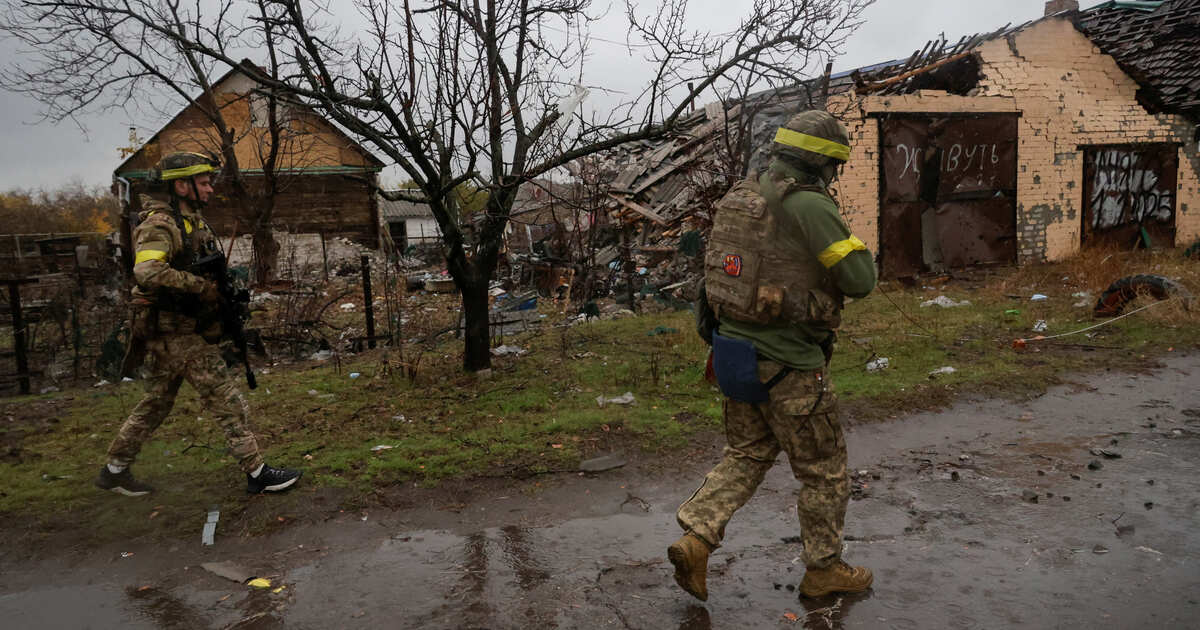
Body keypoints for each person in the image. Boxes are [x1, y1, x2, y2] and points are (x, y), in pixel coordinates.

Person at [669, 111, 877, 601]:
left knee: (747, 453)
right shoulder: (808, 205)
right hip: (791, 364)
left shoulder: (740, 198)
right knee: (823, 470)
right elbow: (861, 280)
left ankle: (696, 539)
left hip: (735, 355)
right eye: (834, 166)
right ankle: (824, 570)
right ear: (820, 164)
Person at [95, 152, 301, 496]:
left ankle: (114, 469)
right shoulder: (161, 224)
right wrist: (200, 287)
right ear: (181, 185)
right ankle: (257, 473)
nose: (209, 190)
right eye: (203, 183)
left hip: (177, 332)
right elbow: (147, 271)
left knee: (156, 403)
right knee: (226, 400)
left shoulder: (191, 221)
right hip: (178, 334)